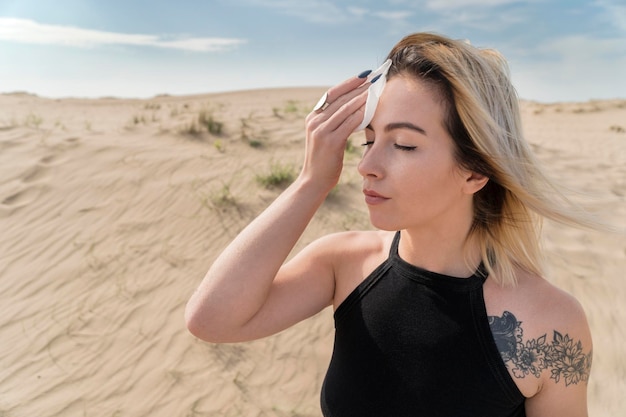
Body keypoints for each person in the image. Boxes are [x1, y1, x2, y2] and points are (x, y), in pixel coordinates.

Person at [185, 32, 597, 416]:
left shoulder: (549, 324)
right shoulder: (344, 264)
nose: (366, 165)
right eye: (368, 140)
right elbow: (212, 320)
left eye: (403, 144)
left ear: (475, 171)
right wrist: (311, 183)